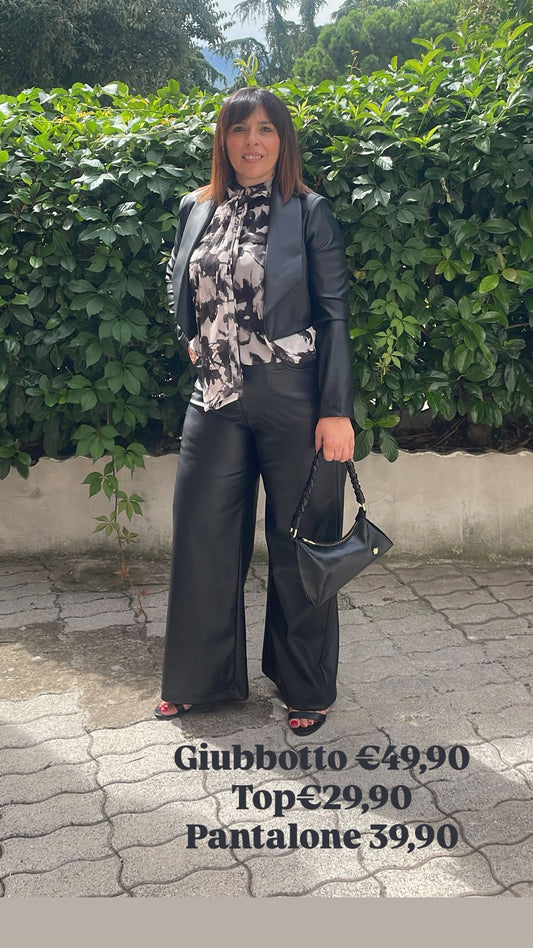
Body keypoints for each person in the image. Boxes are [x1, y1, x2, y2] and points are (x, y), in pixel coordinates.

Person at [155, 87, 355, 736]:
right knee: (202, 539)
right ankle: (200, 679)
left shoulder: (309, 212)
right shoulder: (196, 207)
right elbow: (181, 282)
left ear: (282, 140)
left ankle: (305, 686)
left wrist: (336, 410)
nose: (252, 141)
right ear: (224, 139)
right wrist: (191, 339)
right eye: (239, 129)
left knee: (301, 544)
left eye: (265, 129)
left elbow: (334, 315)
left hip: (292, 399)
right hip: (213, 399)